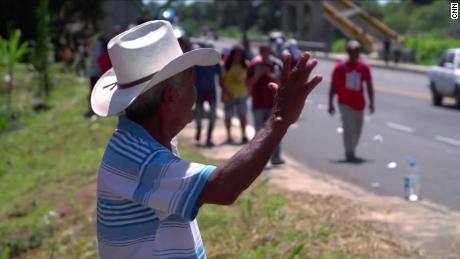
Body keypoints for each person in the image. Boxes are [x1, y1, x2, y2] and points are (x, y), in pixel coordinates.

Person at [91, 20, 322, 259]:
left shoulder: (139, 141)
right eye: (192, 83)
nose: (195, 92)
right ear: (170, 98)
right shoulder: (139, 157)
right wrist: (280, 119)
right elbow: (223, 187)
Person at [328, 40, 375, 162]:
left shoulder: (364, 67)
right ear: (348, 52)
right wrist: (330, 103)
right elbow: (333, 85)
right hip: (344, 102)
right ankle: (349, 152)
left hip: (359, 103)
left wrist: (372, 103)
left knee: (357, 128)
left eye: (357, 51)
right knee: (348, 127)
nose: (355, 53)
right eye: (353, 51)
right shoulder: (340, 67)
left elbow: (369, 85)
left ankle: (352, 148)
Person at [246, 45, 285, 165]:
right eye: (262, 51)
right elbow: (247, 83)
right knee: (259, 133)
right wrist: (258, 74)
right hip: (258, 103)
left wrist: (270, 74)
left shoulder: (276, 65)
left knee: (275, 131)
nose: (264, 54)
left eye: (266, 51)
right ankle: (259, 159)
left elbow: (282, 84)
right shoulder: (254, 65)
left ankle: (276, 157)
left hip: (273, 103)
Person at [193, 44, 222, 147]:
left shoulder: (215, 63)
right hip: (199, 92)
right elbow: (193, 77)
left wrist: (224, 92)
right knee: (199, 115)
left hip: (211, 92)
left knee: (213, 116)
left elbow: (220, 77)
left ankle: (209, 138)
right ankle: (198, 134)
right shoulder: (197, 62)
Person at [221, 45, 249, 144]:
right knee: (228, 116)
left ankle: (244, 135)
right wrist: (226, 93)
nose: (237, 56)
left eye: (239, 54)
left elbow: (248, 80)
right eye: (235, 54)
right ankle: (229, 136)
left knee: (243, 116)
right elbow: (221, 81)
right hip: (229, 95)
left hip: (242, 94)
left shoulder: (246, 65)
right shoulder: (226, 65)